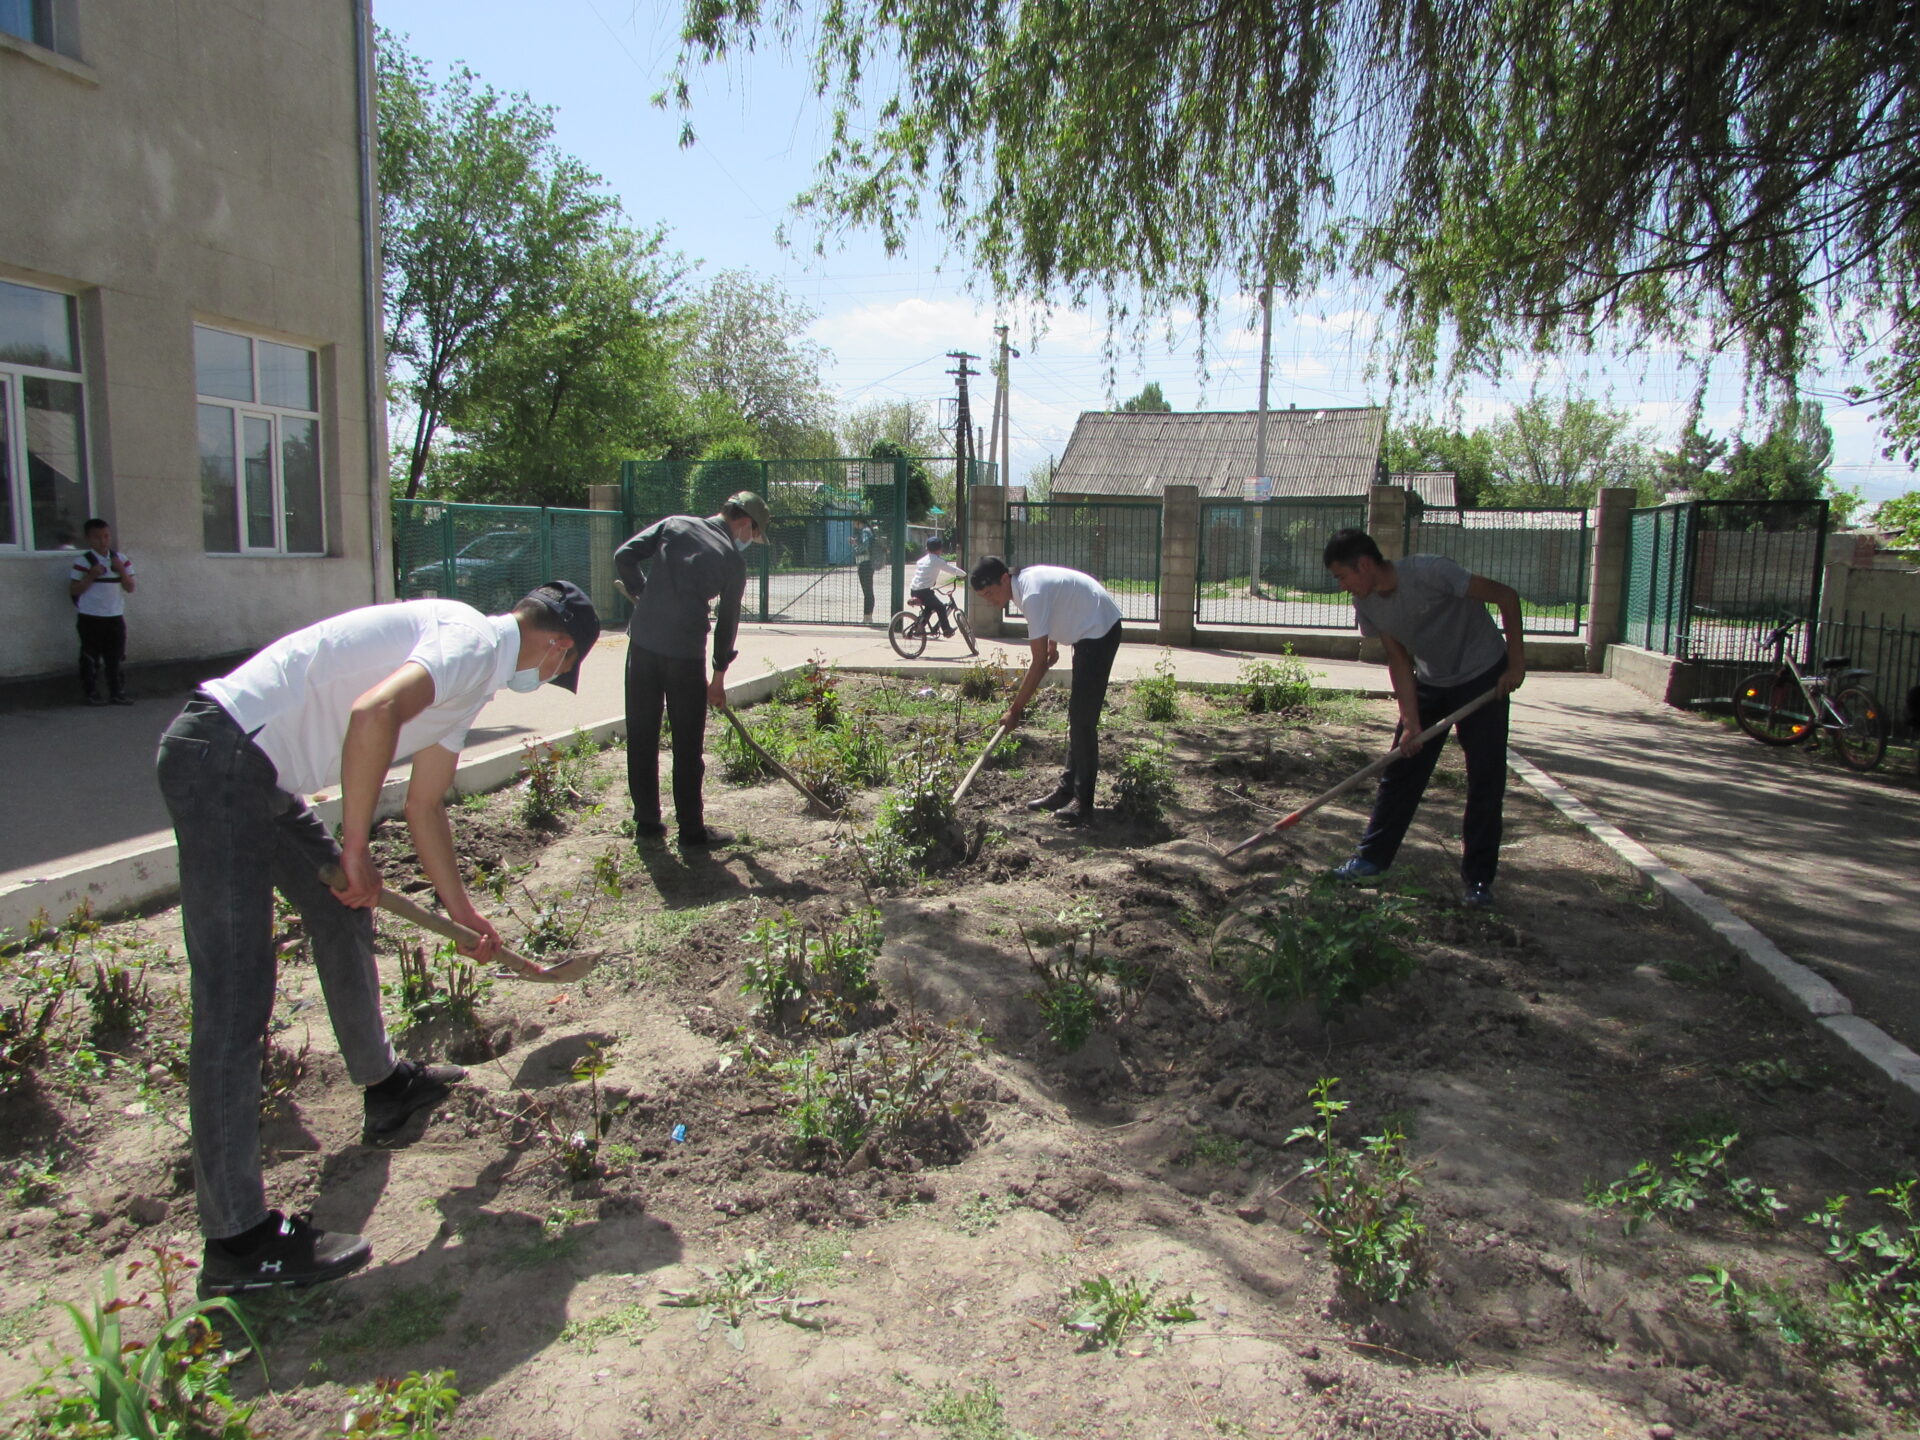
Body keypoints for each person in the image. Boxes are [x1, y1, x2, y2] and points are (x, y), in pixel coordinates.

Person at [155, 581, 599, 1297]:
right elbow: (373, 715)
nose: (547, 680)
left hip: (253, 777)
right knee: (235, 999)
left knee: (338, 912)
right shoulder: (472, 641)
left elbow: (427, 804)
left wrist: (466, 916)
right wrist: (355, 845)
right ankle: (239, 1242)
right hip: (222, 760)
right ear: (557, 646)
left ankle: (386, 1085)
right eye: (560, 669)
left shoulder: (472, 673)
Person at [1321, 528, 1526, 908]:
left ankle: (1478, 882)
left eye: (1342, 576)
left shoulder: (1432, 572)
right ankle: (1371, 860)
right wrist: (1411, 721)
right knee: (1402, 767)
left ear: (1363, 564)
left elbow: (1506, 597)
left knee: (1485, 777)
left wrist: (1515, 663)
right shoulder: (1368, 602)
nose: (1342, 585)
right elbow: (1399, 660)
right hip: (1432, 681)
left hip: (1483, 676)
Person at [615, 491, 769, 847]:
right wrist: (718, 678)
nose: (750, 542)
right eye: (753, 535)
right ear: (744, 522)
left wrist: (642, 596)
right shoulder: (733, 561)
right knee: (687, 746)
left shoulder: (675, 524)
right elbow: (726, 624)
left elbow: (624, 556)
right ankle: (691, 831)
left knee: (641, 736)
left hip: (642, 646)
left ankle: (647, 824)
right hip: (684, 656)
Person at [969, 556, 1124, 826]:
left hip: (1099, 629)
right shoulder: (1025, 585)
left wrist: (1015, 710)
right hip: (1087, 629)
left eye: (991, 593)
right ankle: (1066, 791)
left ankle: (1082, 803)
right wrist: (1053, 643)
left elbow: (1038, 663)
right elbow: (1057, 603)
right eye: (984, 596)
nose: (991, 601)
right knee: (1078, 717)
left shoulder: (1031, 593)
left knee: (1083, 721)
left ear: (1004, 579)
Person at [69, 517, 136, 706]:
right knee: (90, 657)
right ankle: (91, 693)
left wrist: (121, 570)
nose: (103, 541)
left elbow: (130, 587)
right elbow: (73, 590)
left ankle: (117, 692)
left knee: (115, 656)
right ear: (89, 539)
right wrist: (91, 575)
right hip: (90, 616)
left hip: (114, 615)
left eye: (106, 536)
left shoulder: (121, 559)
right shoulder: (83, 561)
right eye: (98, 537)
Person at [910, 534, 970, 648]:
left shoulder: (921, 560)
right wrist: (964, 574)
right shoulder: (937, 561)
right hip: (924, 591)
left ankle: (920, 625)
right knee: (941, 607)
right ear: (940, 549)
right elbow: (952, 570)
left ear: (927, 548)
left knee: (930, 606)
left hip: (914, 590)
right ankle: (946, 630)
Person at [852, 517, 876, 623]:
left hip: (865, 564)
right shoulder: (867, 530)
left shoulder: (865, 531)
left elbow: (865, 545)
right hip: (867, 563)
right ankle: (867, 616)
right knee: (868, 591)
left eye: (854, 521)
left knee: (867, 591)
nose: (853, 524)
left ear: (858, 521)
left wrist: (856, 546)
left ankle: (868, 617)